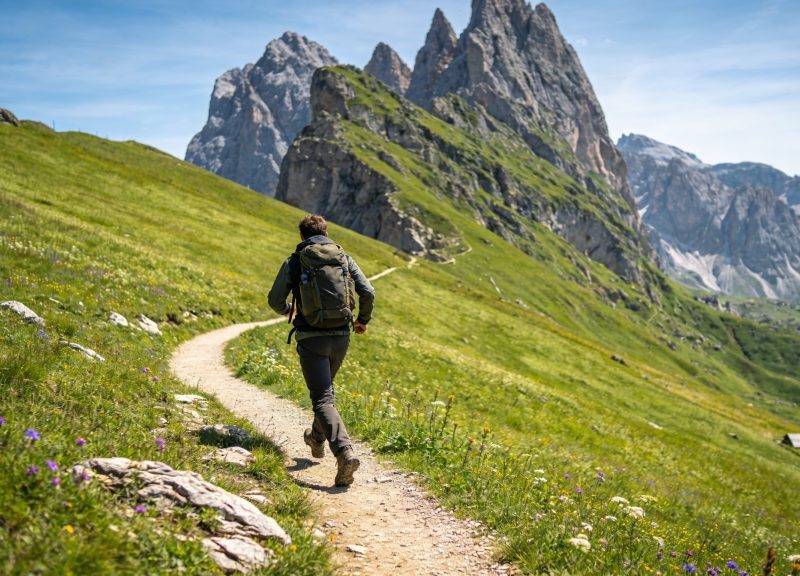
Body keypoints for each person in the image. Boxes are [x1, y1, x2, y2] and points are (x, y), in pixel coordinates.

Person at [268, 214, 375, 486]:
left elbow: (274, 299)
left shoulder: (296, 260)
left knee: (323, 398)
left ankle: (344, 452)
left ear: (302, 236)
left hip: (311, 338)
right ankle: (316, 438)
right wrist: (362, 320)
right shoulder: (343, 258)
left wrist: (288, 309)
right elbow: (368, 291)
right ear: (326, 233)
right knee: (326, 393)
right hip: (341, 337)